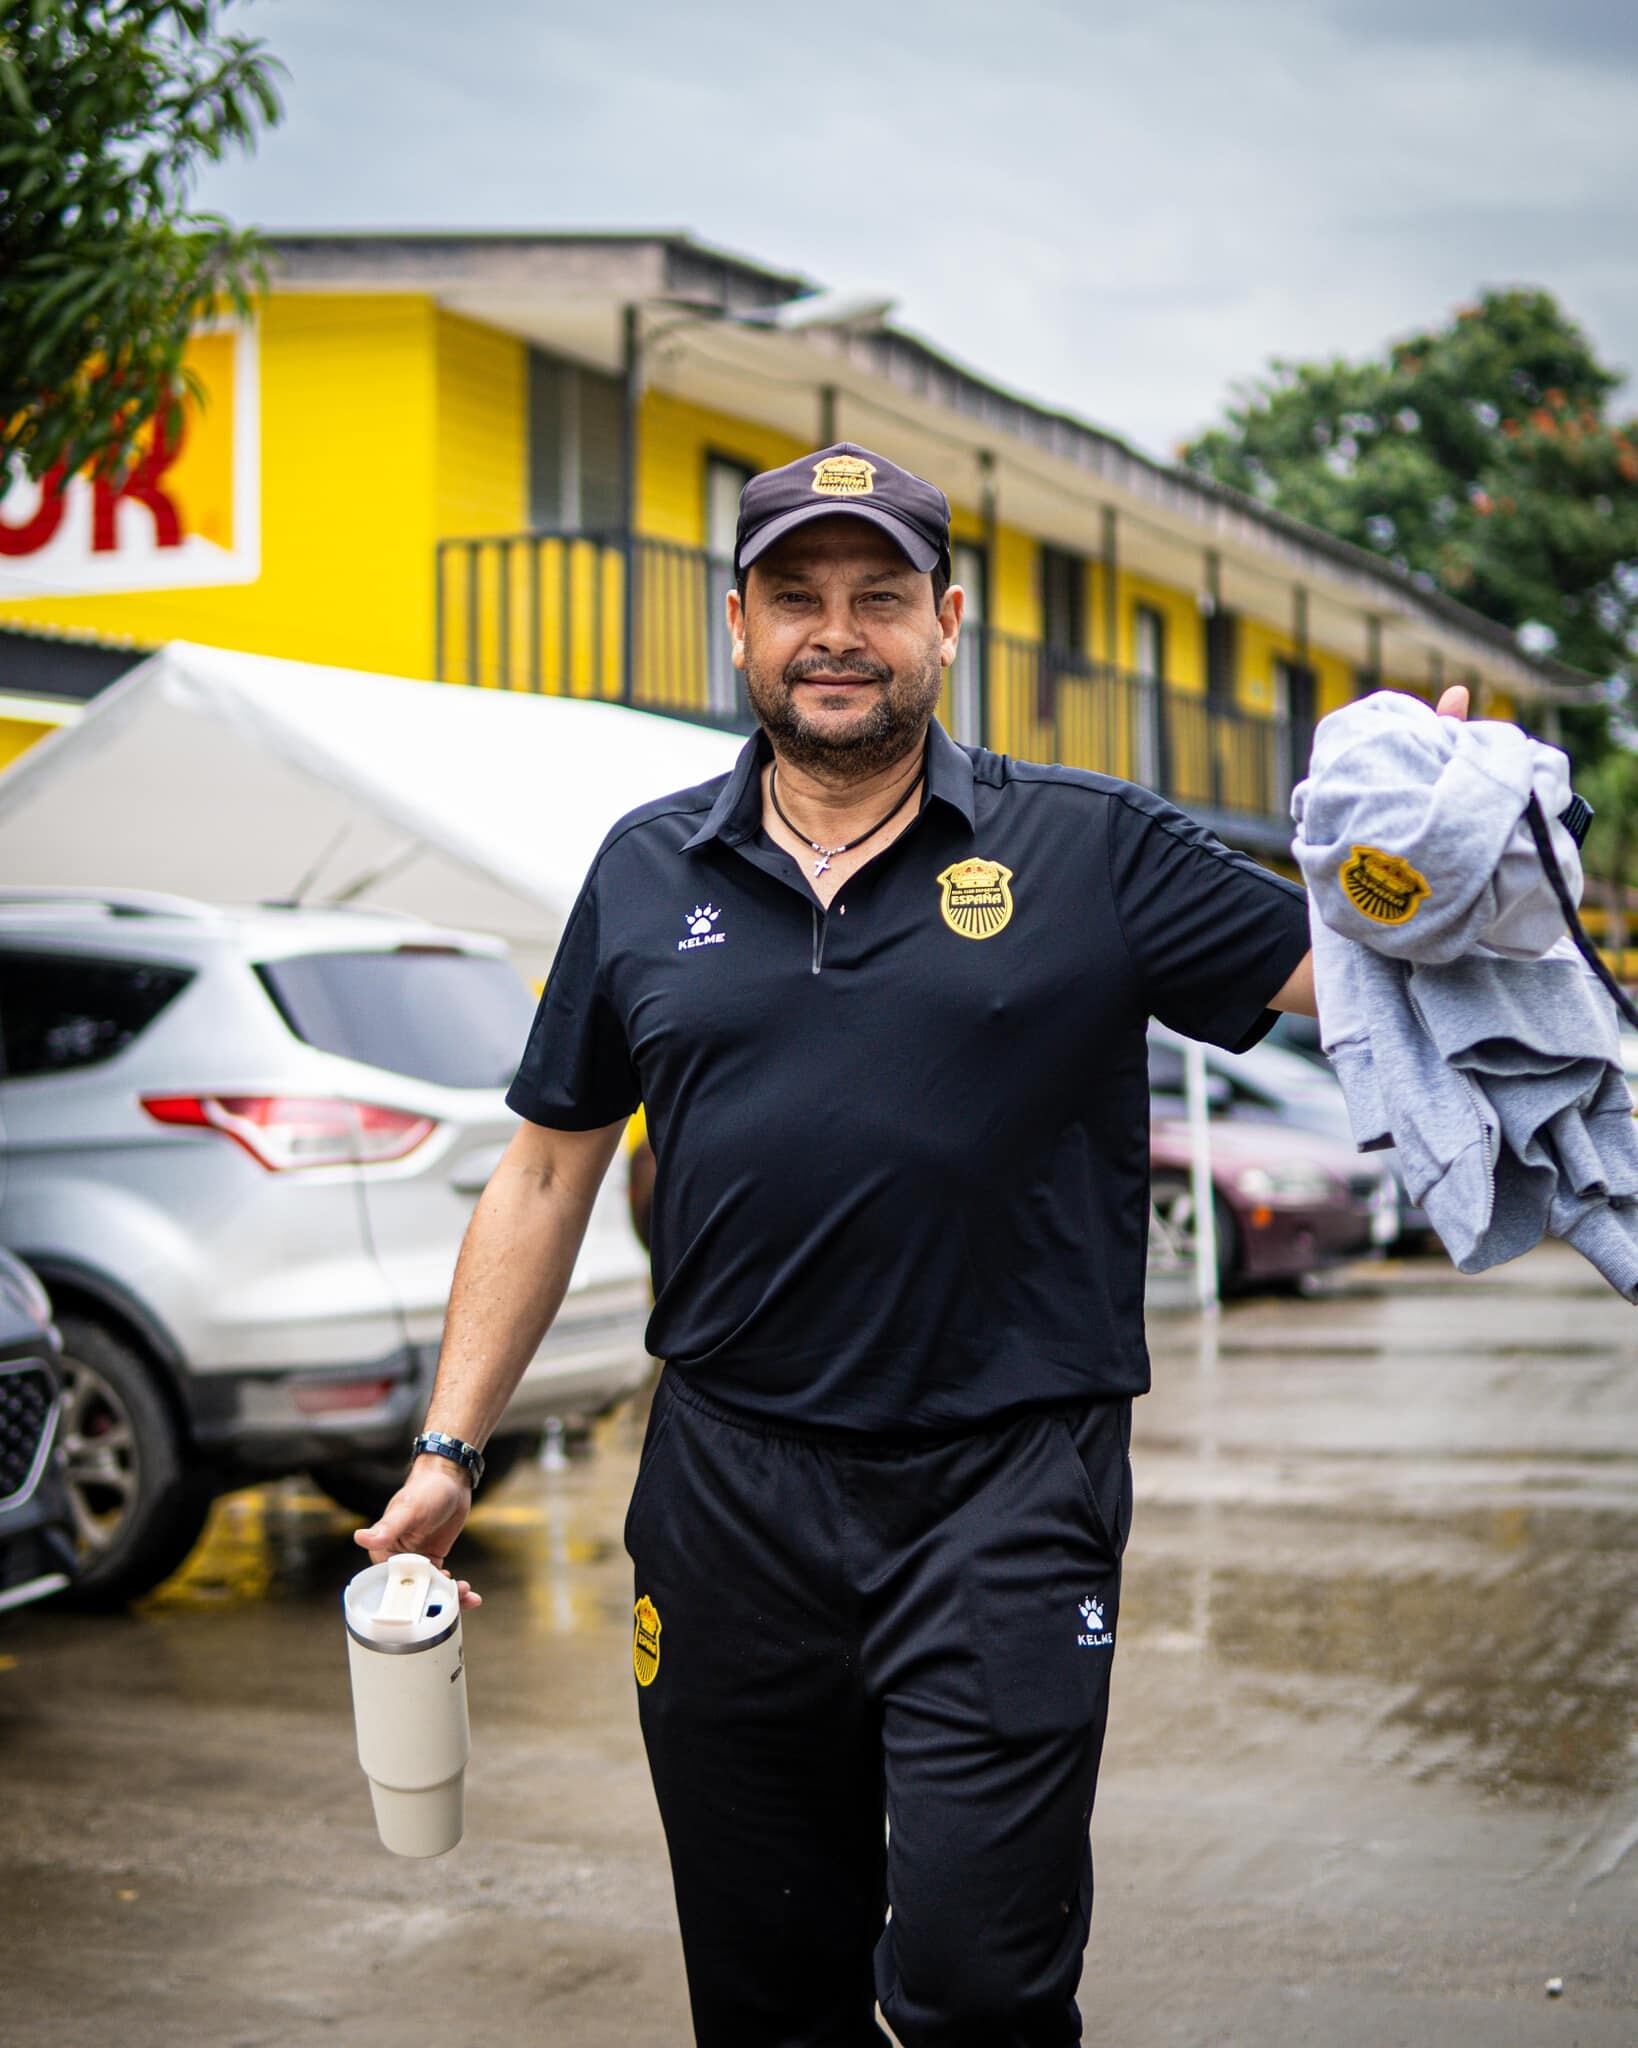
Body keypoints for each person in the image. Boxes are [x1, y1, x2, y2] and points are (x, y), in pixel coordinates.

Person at [357, 442, 1467, 2046]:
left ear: (946, 625)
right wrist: (451, 1450)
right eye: (795, 596)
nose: (836, 630)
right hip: (729, 1496)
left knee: (978, 1988)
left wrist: (1443, 830)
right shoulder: (644, 867)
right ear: (734, 623)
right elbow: (543, 1176)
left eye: (878, 596)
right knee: (765, 1997)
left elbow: (1357, 956)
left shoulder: (1093, 851)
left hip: (1005, 1491)